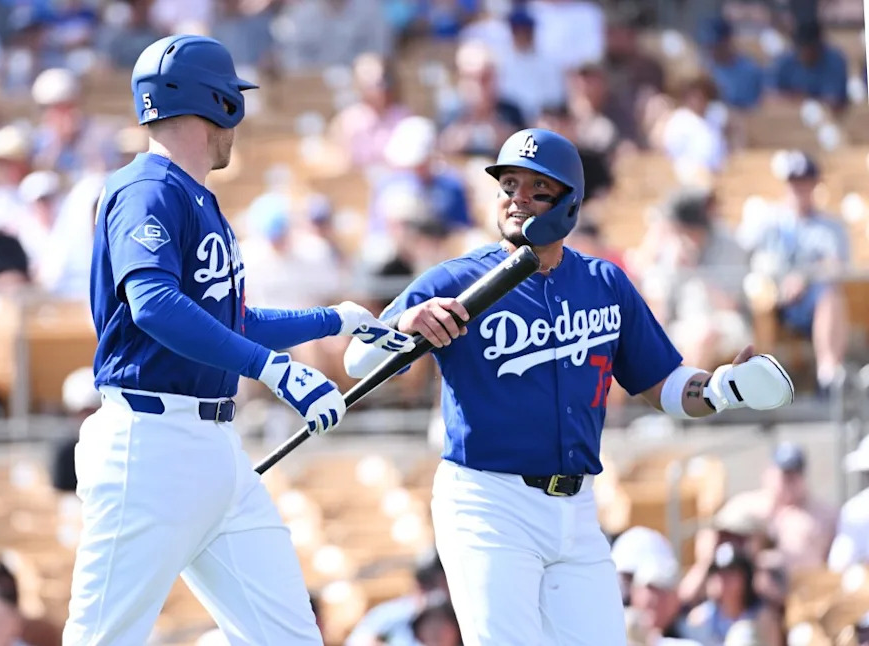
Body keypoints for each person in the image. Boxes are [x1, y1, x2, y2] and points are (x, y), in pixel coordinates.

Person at [344, 128, 795, 646]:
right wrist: (403, 328)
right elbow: (359, 361)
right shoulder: (455, 279)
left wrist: (719, 389)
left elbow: (663, 383)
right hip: (489, 502)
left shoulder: (605, 282)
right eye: (508, 184)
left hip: (578, 508)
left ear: (569, 203)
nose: (517, 198)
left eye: (537, 188)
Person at [62, 34, 416, 646]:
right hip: (149, 446)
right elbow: (155, 307)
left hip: (213, 449)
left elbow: (227, 322)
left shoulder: (196, 196)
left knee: (289, 638)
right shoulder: (147, 187)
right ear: (219, 103)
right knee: (102, 640)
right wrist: (277, 371)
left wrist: (332, 321)